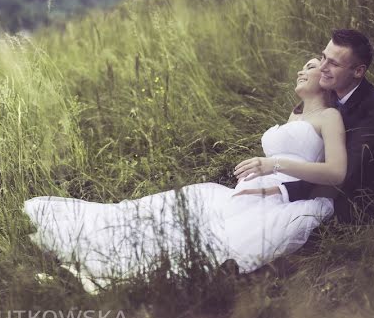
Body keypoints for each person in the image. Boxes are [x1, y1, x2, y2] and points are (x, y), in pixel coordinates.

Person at [23, 58, 346, 294]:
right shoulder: (297, 114)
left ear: (327, 79)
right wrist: (260, 172)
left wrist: (273, 170)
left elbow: (334, 174)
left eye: (311, 66)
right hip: (249, 189)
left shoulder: (330, 116)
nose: (301, 70)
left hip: (274, 197)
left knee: (205, 237)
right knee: (159, 214)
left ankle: (100, 276)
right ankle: (83, 253)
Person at [274, 29, 374, 223]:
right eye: (323, 57)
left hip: (354, 204)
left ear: (358, 71)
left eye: (333, 63)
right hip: (312, 183)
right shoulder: (329, 94)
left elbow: (345, 175)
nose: (322, 67)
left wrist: (280, 190)